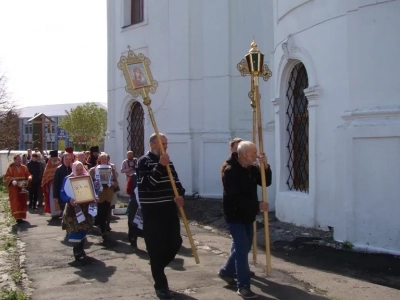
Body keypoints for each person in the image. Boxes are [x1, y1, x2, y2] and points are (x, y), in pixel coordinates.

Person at [218, 141, 272, 299]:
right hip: (234, 215)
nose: (256, 155)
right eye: (253, 153)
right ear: (243, 155)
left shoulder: (252, 168)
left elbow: (265, 182)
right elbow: (234, 198)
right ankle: (243, 286)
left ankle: (226, 271)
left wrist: (266, 167)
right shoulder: (230, 171)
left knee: (245, 245)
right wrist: (258, 205)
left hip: (248, 215)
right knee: (242, 249)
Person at [137, 133, 184, 299]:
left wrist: (180, 196)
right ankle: (161, 285)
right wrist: (160, 166)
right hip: (153, 211)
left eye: (166, 143)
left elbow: (176, 182)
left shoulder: (168, 161)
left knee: (175, 242)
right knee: (156, 248)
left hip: (169, 209)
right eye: (162, 143)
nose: (165, 146)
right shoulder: (143, 161)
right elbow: (147, 185)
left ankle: (157, 267)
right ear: (152, 145)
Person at [60, 161, 97, 260]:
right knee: (75, 230)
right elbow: (62, 193)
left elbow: (93, 191)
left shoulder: (87, 178)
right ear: (74, 169)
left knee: (84, 229)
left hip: (85, 208)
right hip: (73, 209)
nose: (80, 171)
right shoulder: (68, 179)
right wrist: (69, 200)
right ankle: (76, 251)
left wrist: (94, 197)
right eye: (78, 169)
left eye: (81, 169)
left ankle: (81, 249)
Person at [89, 153, 118, 240]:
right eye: (102, 159)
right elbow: (89, 182)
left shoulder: (111, 169)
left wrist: (112, 184)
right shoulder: (93, 170)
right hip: (99, 195)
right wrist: (96, 184)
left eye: (106, 159)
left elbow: (116, 182)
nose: (104, 161)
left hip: (108, 194)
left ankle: (103, 228)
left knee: (106, 212)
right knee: (100, 212)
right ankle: (102, 230)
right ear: (99, 160)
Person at [4, 155, 31, 222]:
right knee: (16, 202)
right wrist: (12, 180)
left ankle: (21, 216)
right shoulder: (11, 168)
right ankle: (17, 217)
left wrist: (30, 177)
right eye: (18, 159)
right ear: (15, 160)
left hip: (22, 186)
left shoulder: (24, 167)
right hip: (14, 187)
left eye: (20, 159)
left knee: (22, 201)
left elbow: (28, 174)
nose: (19, 160)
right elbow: (7, 176)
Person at [42, 150, 62, 219]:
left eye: (56, 157)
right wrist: (48, 182)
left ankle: (60, 212)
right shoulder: (49, 165)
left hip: (60, 184)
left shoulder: (61, 164)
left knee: (60, 198)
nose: (55, 159)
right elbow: (46, 175)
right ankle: (54, 213)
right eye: (53, 158)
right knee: (53, 198)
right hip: (52, 185)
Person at [126, 172, 143, 250]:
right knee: (134, 219)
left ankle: (133, 238)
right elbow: (128, 190)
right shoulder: (133, 176)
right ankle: (133, 238)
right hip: (137, 202)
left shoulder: (134, 176)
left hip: (137, 201)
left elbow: (128, 190)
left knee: (134, 220)